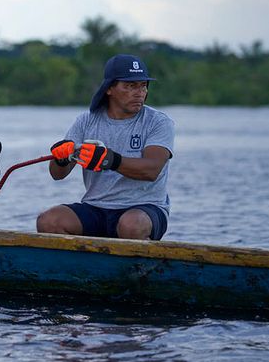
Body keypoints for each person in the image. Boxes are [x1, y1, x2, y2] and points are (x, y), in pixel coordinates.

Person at [36, 54, 174, 240]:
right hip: (96, 207)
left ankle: (136, 268)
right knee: (48, 221)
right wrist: (61, 159)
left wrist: (110, 160)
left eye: (143, 85)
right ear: (109, 88)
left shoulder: (158, 122)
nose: (139, 92)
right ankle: (79, 267)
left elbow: (151, 170)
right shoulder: (86, 121)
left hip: (144, 208)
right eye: (130, 86)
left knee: (131, 225)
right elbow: (57, 174)